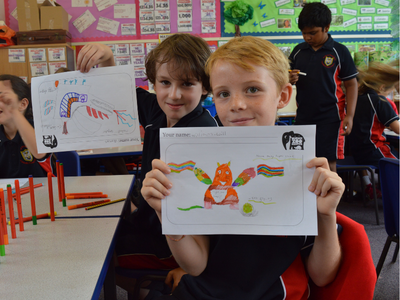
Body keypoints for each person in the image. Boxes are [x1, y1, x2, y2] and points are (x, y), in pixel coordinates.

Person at [141, 36, 344, 300]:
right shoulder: (203, 160)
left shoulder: (303, 168)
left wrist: (326, 217)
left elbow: (322, 275)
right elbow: (196, 265)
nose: (236, 104)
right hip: (203, 292)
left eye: (252, 89)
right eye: (224, 94)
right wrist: (165, 211)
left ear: (282, 95)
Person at [76, 34, 218, 297]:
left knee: (97, 255)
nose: (173, 94)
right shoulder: (158, 110)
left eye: (187, 84)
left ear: (205, 87)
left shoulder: (204, 133)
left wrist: (134, 210)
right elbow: (119, 94)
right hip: (146, 216)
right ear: (154, 83)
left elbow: (199, 215)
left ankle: (145, 290)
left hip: (169, 240)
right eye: (164, 82)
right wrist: (107, 57)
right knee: (88, 233)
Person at [288, 2, 358, 172]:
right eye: (304, 33)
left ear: (326, 28)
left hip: (330, 118)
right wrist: (289, 78)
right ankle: (307, 198)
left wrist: (350, 115)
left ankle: (332, 198)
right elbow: (286, 77)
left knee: (328, 162)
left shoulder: (339, 52)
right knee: (302, 161)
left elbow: (351, 84)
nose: (307, 37)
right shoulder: (298, 51)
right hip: (303, 116)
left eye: (312, 33)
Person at [349, 61, 399, 199]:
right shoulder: (379, 101)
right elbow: (397, 129)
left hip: (358, 151)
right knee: (396, 161)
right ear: (382, 87)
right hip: (374, 149)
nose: (390, 94)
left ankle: (383, 189)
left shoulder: (357, 99)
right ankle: (393, 196)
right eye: (390, 91)